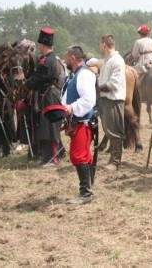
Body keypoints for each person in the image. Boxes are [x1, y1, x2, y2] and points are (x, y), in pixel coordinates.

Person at [61, 46, 97, 204]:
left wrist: (72, 107)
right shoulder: (76, 74)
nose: (65, 60)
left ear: (72, 58)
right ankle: (88, 189)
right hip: (77, 122)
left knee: (79, 155)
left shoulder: (84, 75)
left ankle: (86, 193)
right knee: (84, 156)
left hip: (82, 122)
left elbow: (88, 100)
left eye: (66, 57)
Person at [24, 28, 64, 167]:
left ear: (42, 45)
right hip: (47, 95)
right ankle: (48, 157)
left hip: (49, 96)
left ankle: (53, 159)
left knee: (50, 128)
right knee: (45, 127)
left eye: (40, 45)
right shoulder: (48, 59)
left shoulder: (47, 61)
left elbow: (39, 78)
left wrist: (26, 84)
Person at [98, 34, 126, 171]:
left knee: (114, 131)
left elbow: (113, 84)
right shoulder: (107, 61)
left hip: (113, 100)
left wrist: (96, 87)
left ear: (104, 45)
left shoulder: (117, 61)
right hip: (106, 99)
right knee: (108, 130)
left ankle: (115, 161)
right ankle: (113, 159)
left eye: (100, 44)